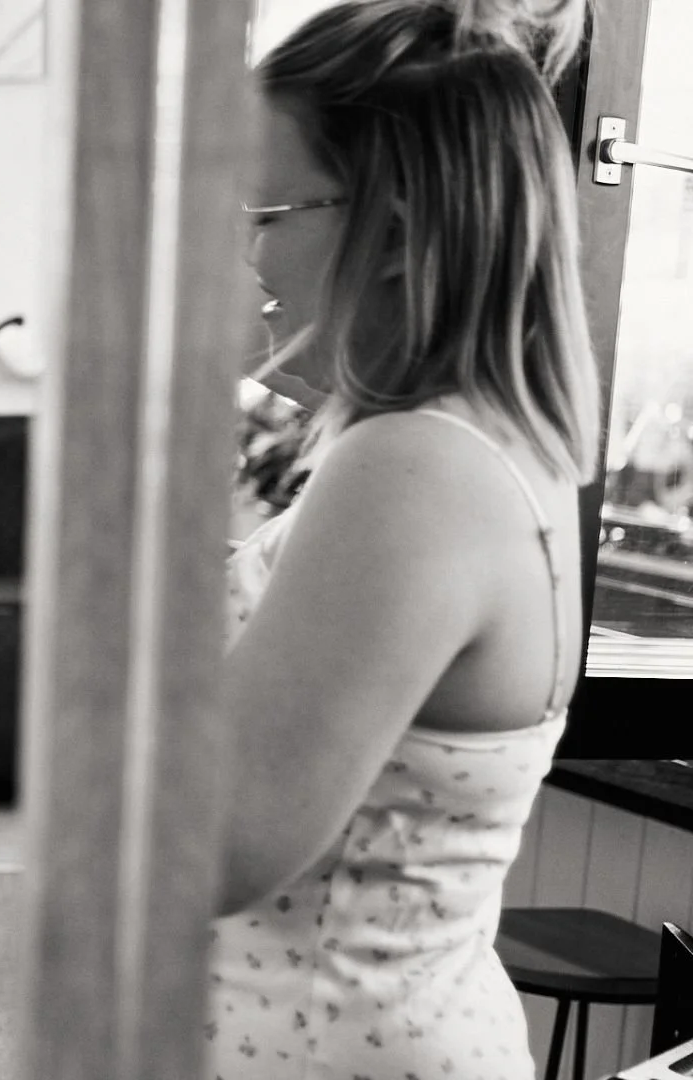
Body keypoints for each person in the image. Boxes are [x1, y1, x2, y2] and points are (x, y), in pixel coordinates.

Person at [211, 0, 598, 1077]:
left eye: (265, 211)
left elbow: (205, 845)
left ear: (392, 226)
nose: (245, 251)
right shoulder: (472, 446)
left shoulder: (410, 473)